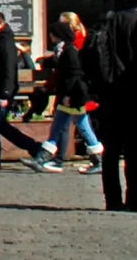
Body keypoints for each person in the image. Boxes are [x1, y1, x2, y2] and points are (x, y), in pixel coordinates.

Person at [92, 0, 137, 212]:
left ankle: (112, 199)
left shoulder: (108, 20)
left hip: (109, 91)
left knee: (111, 149)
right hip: (134, 91)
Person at [31, 12, 102, 172]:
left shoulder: (70, 50)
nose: (50, 36)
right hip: (69, 95)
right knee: (59, 125)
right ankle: (43, 157)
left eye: (52, 34)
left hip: (73, 96)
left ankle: (98, 159)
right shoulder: (67, 49)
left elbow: (74, 74)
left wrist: (69, 95)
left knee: (82, 126)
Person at [0, 11, 30, 168]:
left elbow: (9, 69)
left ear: (1, 24)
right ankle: (36, 148)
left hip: (2, 91)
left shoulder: (6, 42)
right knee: (1, 126)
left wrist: (5, 94)